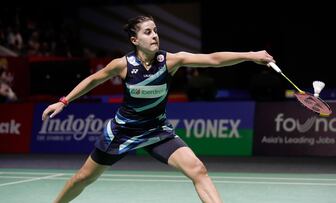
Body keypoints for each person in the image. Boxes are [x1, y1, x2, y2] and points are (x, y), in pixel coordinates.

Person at [42, 15, 275, 203]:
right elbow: (93, 80)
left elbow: (213, 59)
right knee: (84, 178)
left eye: (155, 31)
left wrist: (250, 56)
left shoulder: (170, 61)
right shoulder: (123, 65)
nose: (155, 36)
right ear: (135, 40)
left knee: (198, 169)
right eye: (148, 32)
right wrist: (64, 101)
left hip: (157, 131)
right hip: (123, 132)